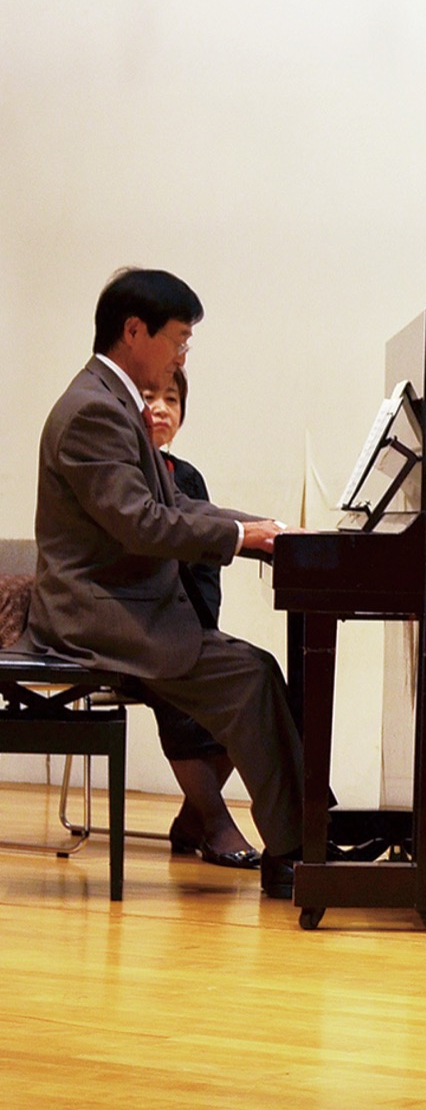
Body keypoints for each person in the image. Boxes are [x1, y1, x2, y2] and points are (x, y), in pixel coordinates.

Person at [16, 268, 304, 898]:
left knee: (253, 672)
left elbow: (173, 503)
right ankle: (297, 852)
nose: (182, 355)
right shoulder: (94, 410)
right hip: (97, 615)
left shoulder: (111, 401)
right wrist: (242, 538)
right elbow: (142, 523)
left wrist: (261, 529)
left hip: (121, 603)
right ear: (134, 331)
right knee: (250, 677)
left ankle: (302, 837)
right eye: (179, 339)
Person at [140, 367, 260, 870]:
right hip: (136, 630)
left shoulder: (186, 477)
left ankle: (193, 818)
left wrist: (202, 628)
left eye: (172, 399)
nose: (161, 408)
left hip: (185, 624)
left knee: (249, 685)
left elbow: (208, 565)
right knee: (181, 681)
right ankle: (213, 822)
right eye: (149, 396)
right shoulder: (121, 472)